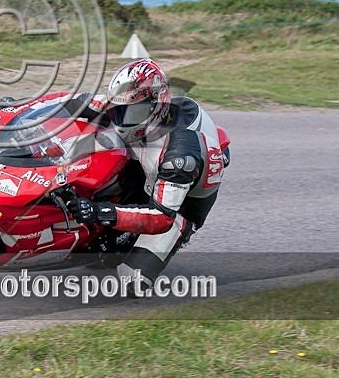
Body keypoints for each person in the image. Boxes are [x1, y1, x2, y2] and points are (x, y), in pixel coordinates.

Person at [62, 59, 229, 290]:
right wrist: (14, 110)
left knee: (132, 281)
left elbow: (161, 217)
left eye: (132, 113)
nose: (122, 120)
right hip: (146, 156)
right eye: (118, 111)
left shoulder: (178, 155)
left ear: (156, 106)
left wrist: (101, 212)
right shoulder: (127, 101)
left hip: (181, 199)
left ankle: (179, 235)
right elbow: (70, 102)